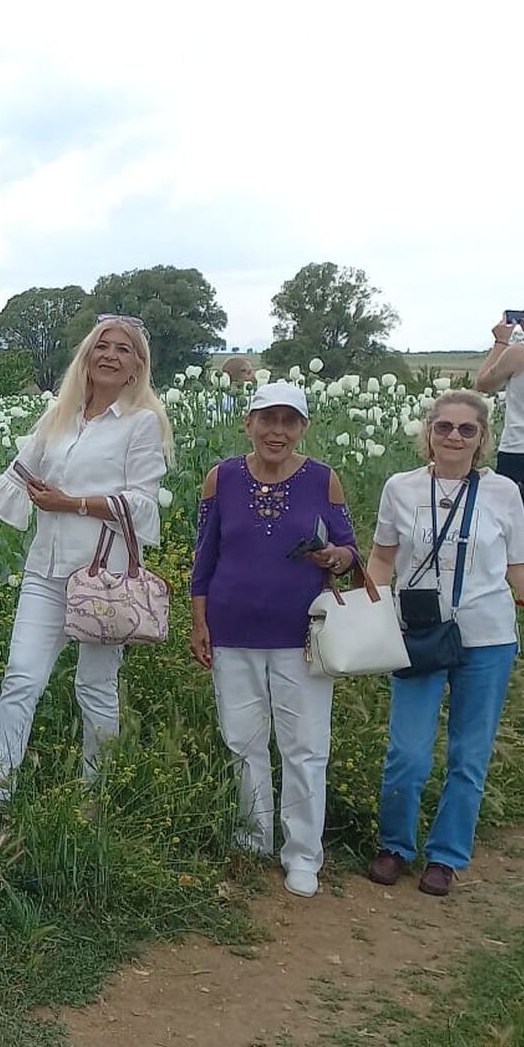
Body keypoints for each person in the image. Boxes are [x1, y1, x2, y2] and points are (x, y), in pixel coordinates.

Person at [0, 316, 171, 796]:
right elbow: (14, 480)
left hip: (104, 576)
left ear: (137, 366)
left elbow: (143, 506)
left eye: (123, 350)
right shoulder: (59, 417)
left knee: (94, 686)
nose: (110, 355)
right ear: (87, 355)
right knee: (21, 677)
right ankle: (3, 786)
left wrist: (73, 502)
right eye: (102, 346)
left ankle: (92, 794)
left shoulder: (141, 424)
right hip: (46, 570)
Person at [363, 390, 524, 895]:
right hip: (419, 633)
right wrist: (365, 615)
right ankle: (395, 844)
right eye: (444, 427)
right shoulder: (400, 488)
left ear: (482, 437)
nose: (454, 437)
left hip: (486, 636)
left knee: (469, 753)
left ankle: (446, 855)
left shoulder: (504, 493)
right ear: (429, 432)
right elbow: (381, 558)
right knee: (408, 751)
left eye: (467, 429)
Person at [188, 382, 359, 897]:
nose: (277, 431)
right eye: (268, 419)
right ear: (249, 423)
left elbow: (349, 547)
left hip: (300, 635)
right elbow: (204, 557)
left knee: (304, 747)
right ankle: (255, 837)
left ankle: (303, 854)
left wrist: (337, 558)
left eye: (289, 421)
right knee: (243, 740)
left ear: (303, 427)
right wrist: (199, 622)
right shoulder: (222, 477)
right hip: (232, 630)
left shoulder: (323, 480)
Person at [475, 294, 524, 525]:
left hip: (523, 450)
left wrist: (501, 342)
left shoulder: (522, 352)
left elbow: (483, 384)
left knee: (517, 526)